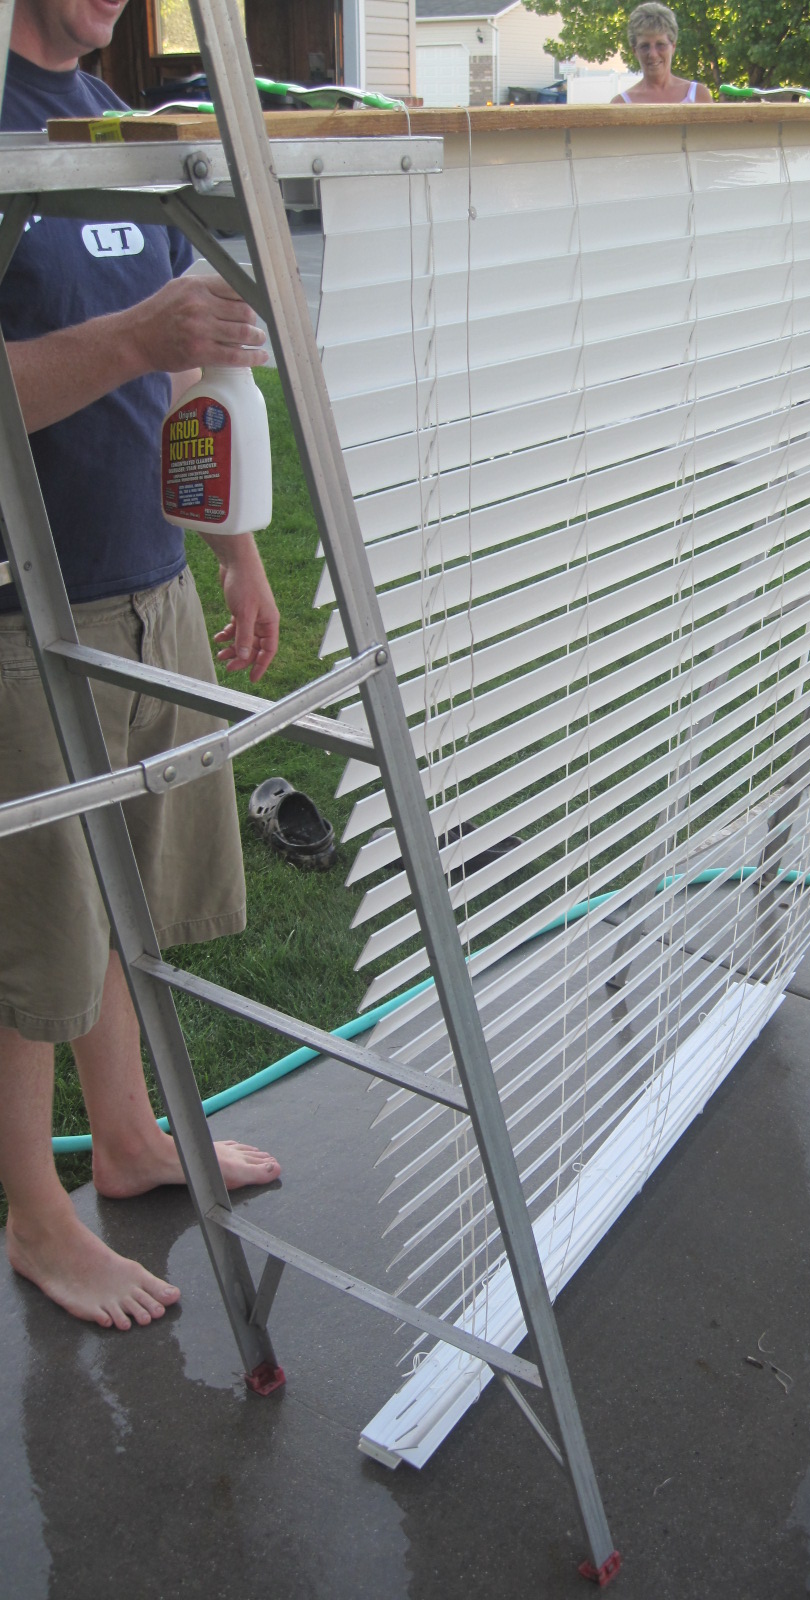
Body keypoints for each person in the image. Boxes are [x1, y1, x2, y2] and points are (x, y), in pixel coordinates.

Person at [0, 0, 283, 1333]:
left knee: (123, 905)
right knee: (31, 943)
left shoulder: (113, 131)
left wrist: (234, 551)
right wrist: (136, 337)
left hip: (146, 582)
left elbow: (183, 369)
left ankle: (122, 1141)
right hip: (23, 611)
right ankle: (35, 1220)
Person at [612, 2, 713, 106]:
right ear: (634, 51)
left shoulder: (698, 95)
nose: (653, 54)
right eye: (645, 46)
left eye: (660, 45)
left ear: (673, 47)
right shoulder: (620, 104)